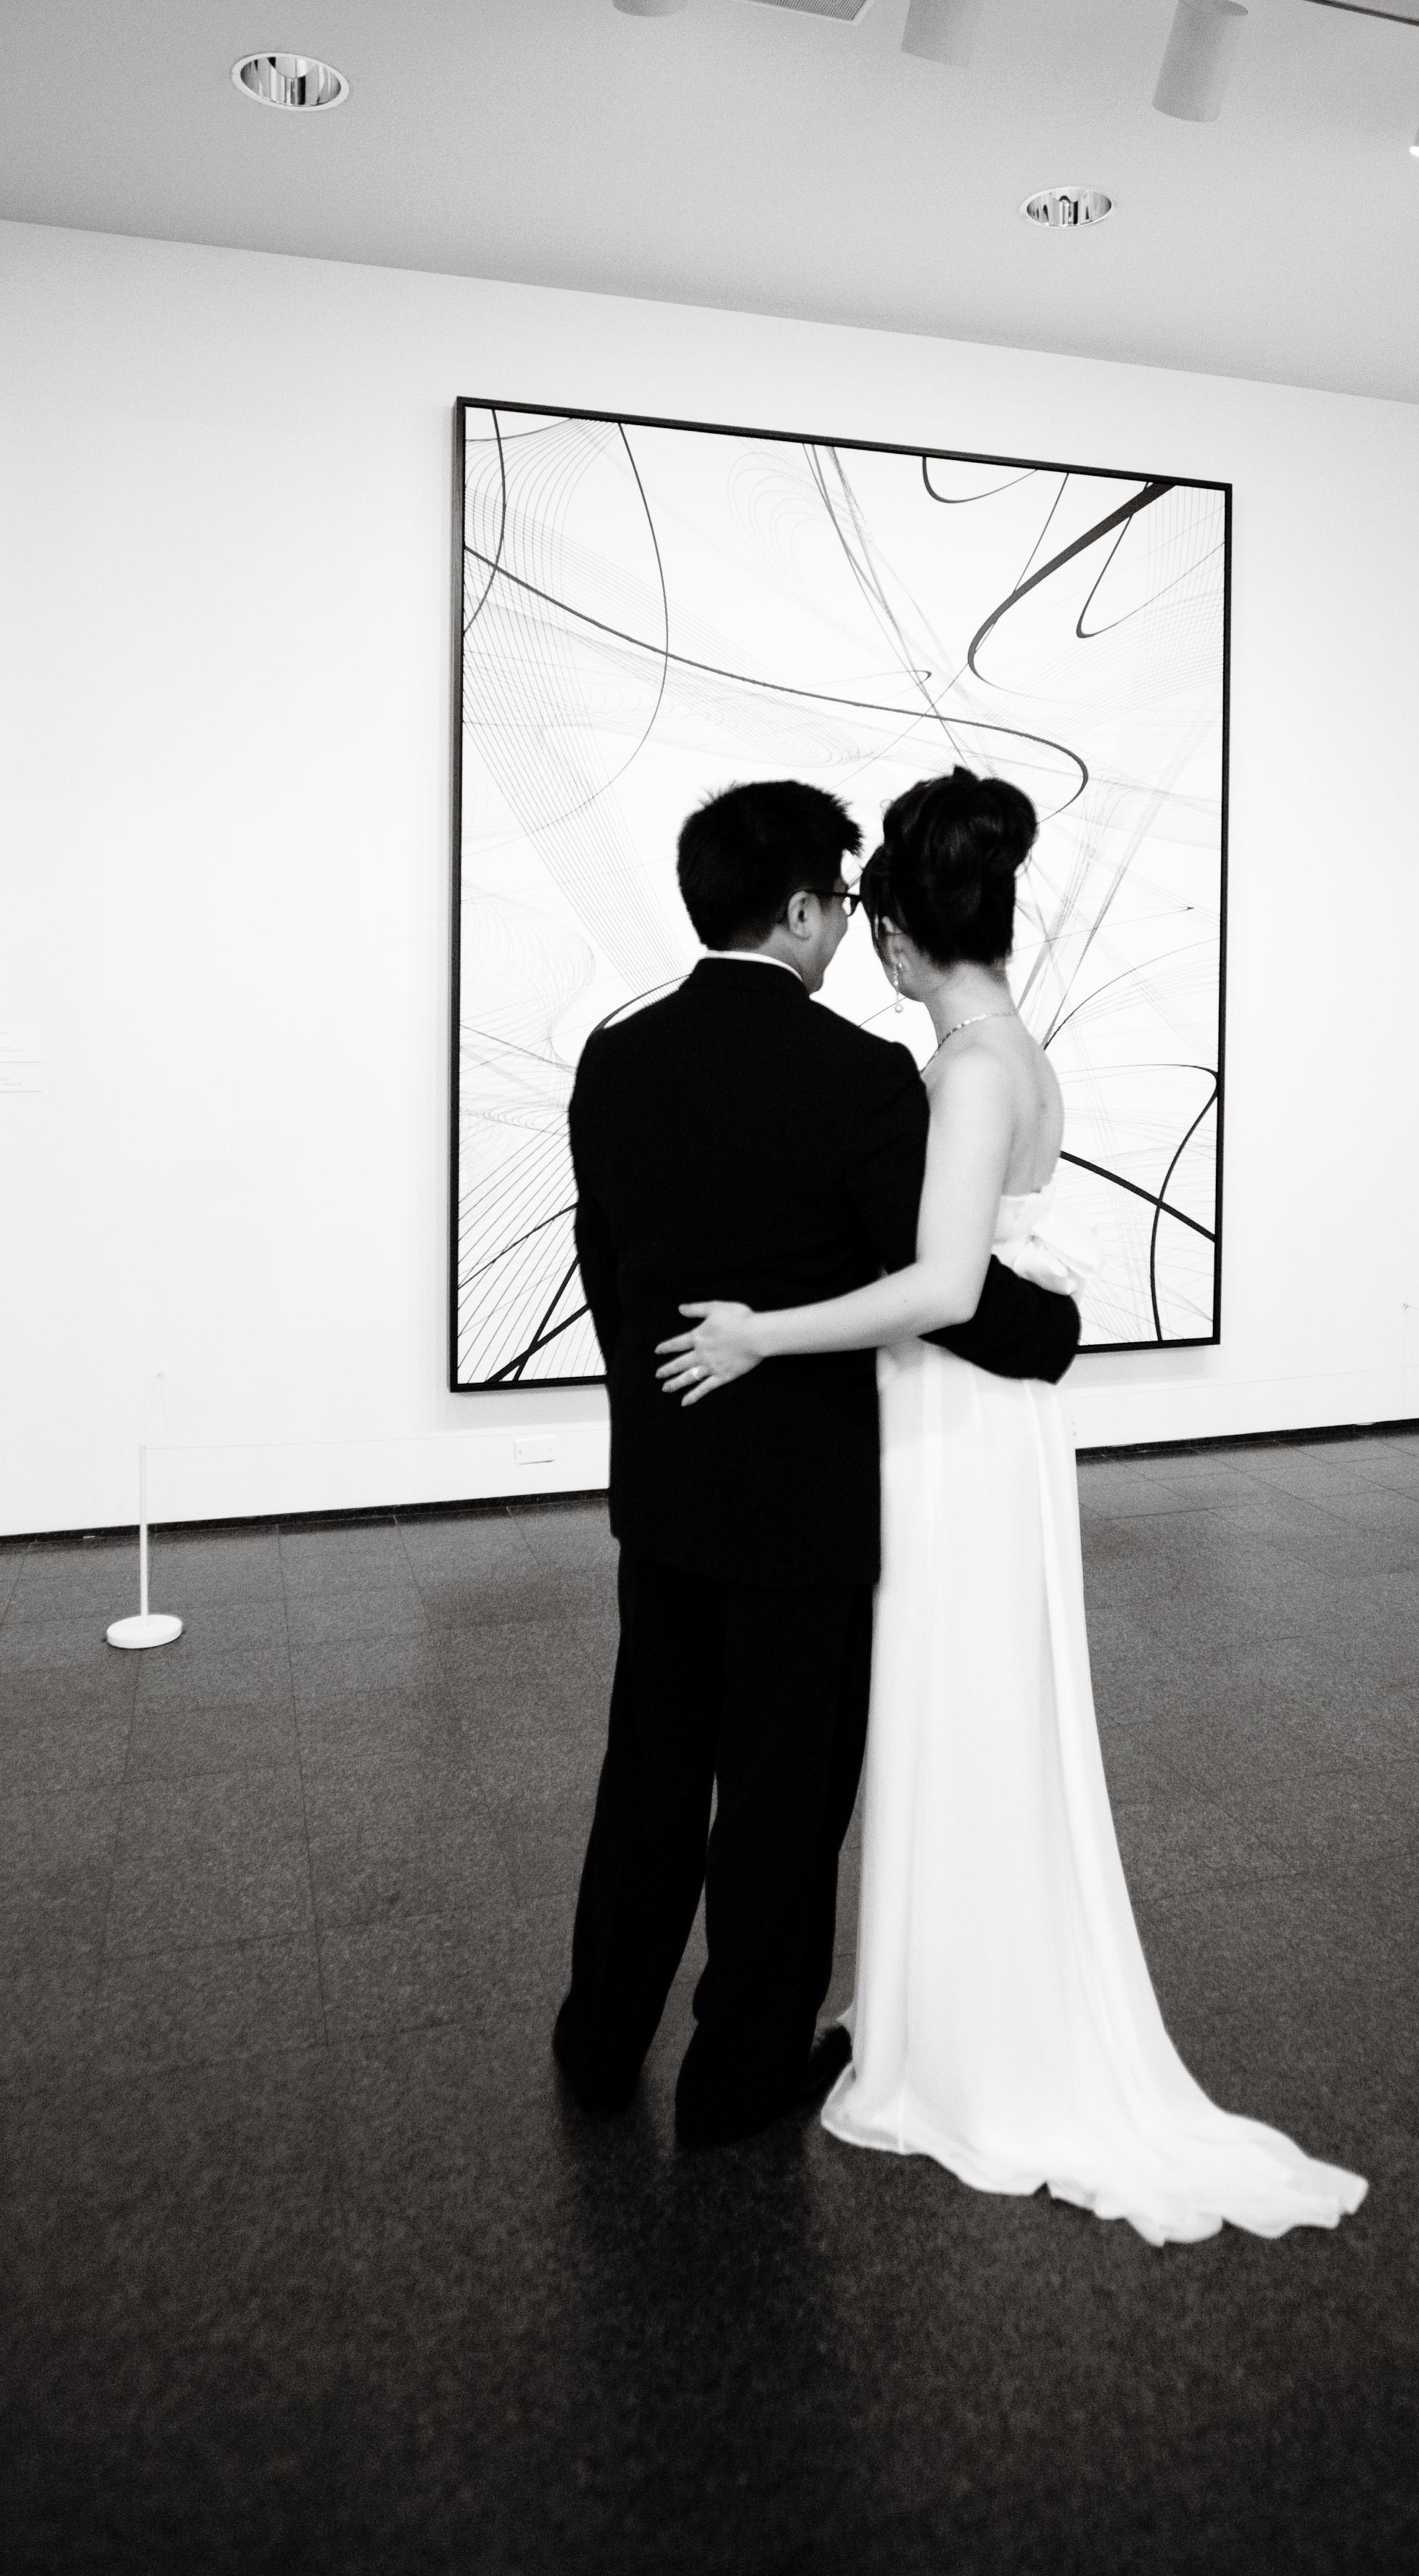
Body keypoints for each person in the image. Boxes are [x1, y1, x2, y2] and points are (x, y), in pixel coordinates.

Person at [660, 769, 1367, 2243]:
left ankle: (963, 2026)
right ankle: (932, 1987)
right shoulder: (1008, 1048)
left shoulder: (970, 1069)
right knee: (968, 1696)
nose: (866, 945)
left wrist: (754, 1332)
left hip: (959, 1429)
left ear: (907, 937)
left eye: (875, 925)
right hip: (988, 1420)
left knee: (957, 1697)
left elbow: (942, 1288)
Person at [552, 778, 1081, 2151]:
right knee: (782, 1802)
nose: (853, 926)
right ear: (797, 911)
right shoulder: (854, 1079)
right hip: (808, 1503)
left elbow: (605, 1264)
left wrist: (660, 1412)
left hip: (665, 1489)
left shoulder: (614, 1058)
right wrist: (1057, 1326)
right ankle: (736, 2079)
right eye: (838, 903)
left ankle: (601, 2041)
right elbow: (934, 1273)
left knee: (649, 1774)